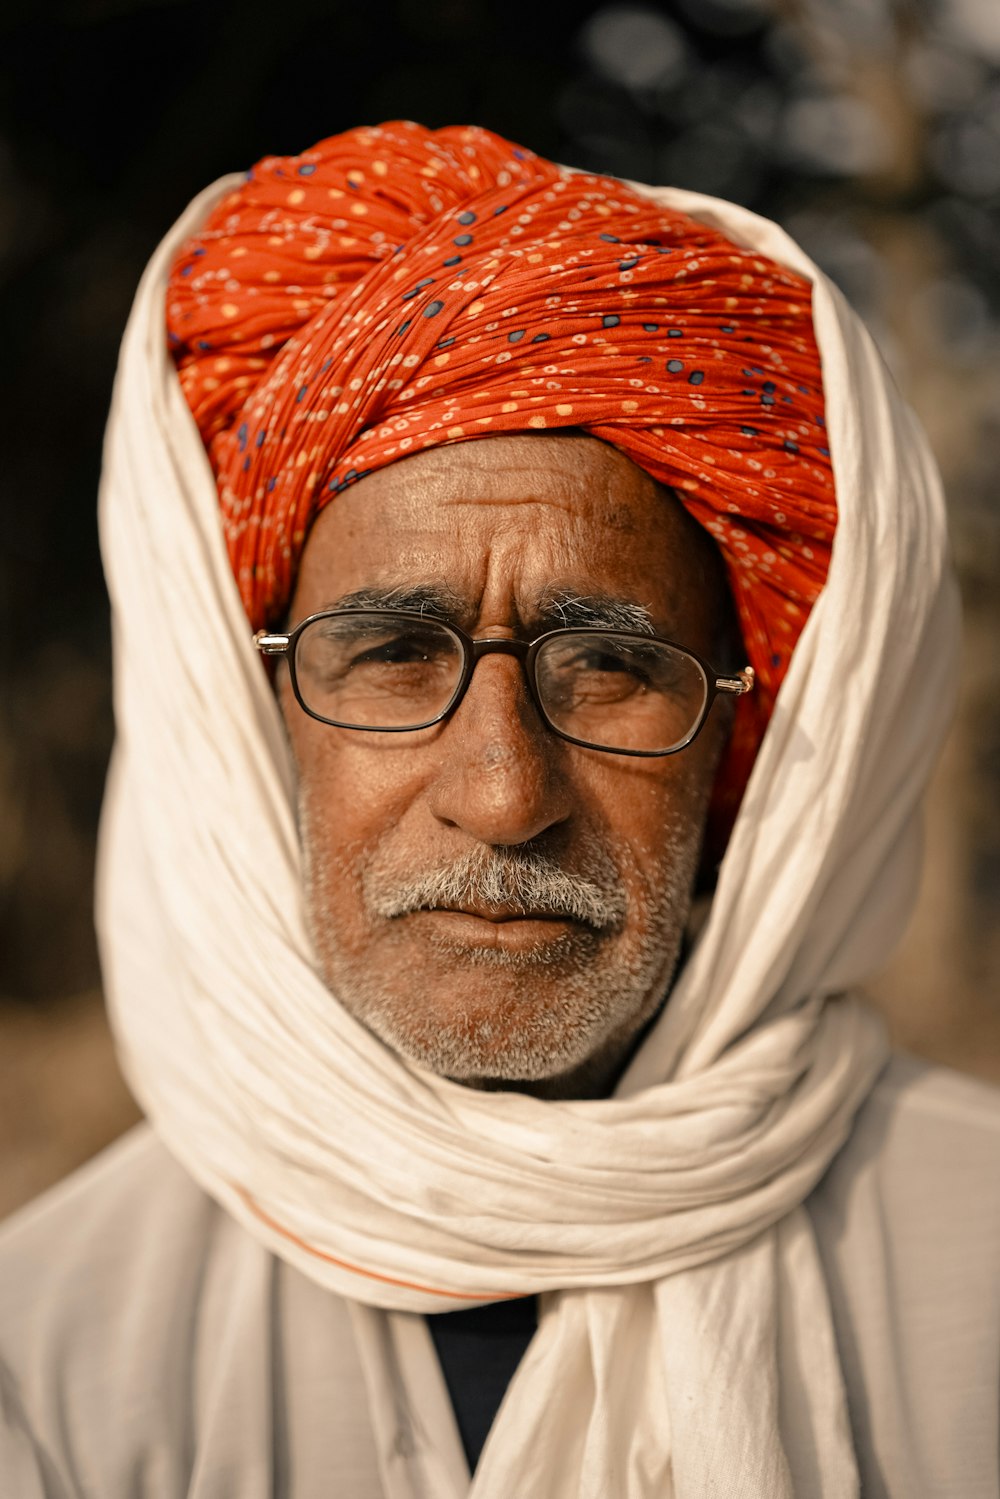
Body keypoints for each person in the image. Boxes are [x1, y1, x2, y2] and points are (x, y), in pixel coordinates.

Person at [1, 121, 998, 1499]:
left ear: (741, 755)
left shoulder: (976, 1285)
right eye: (394, 656)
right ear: (248, 729)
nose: (503, 794)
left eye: (611, 670)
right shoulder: (51, 1365)